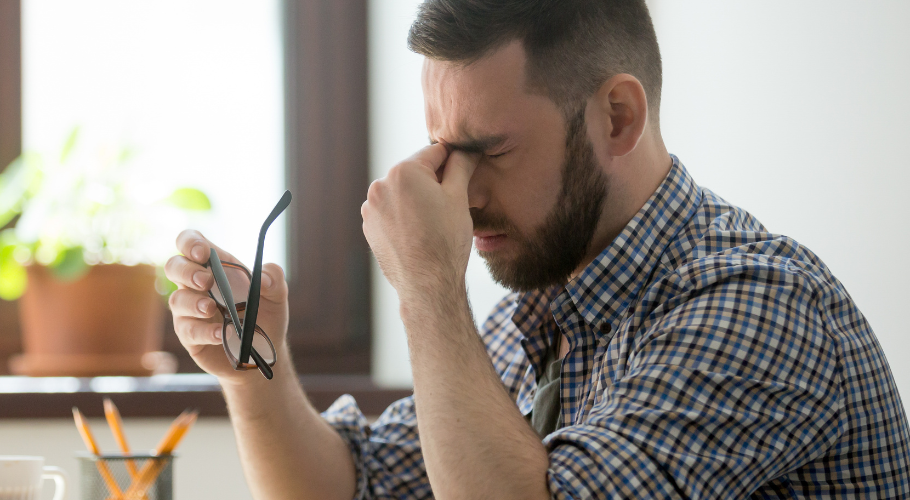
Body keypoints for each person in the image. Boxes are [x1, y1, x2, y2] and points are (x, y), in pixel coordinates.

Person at [163, 0, 910, 497]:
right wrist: (252, 372)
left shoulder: (758, 306)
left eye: (489, 150)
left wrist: (428, 283)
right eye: (442, 153)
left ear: (618, 117)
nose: (459, 192)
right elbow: (354, 486)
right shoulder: (545, 308)